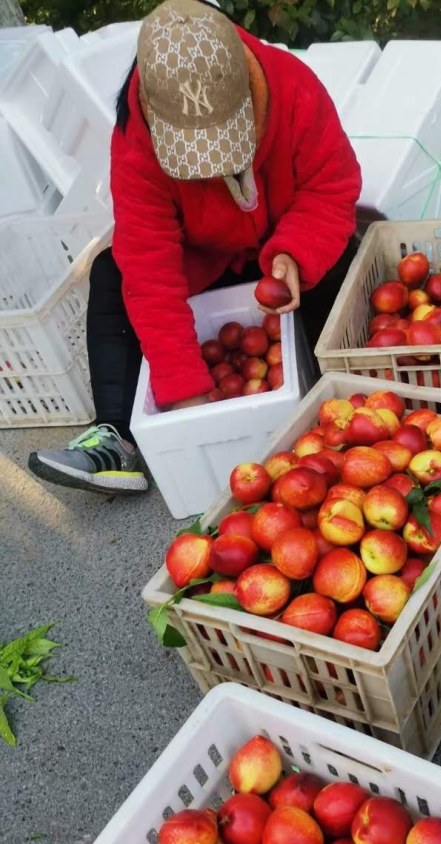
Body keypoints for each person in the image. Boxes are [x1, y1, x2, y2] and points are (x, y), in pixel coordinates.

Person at [29, 0, 361, 495]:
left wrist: (294, 253)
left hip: (279, 252)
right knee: (112, 273)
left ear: (248, 89)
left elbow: (331, 186)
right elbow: (150, 268)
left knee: (350, 255)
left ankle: (341, 409)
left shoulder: (293, 87)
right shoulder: (136, 141)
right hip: (205, 264)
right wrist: (186, 391)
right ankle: (116, 436)